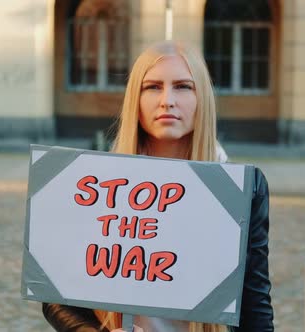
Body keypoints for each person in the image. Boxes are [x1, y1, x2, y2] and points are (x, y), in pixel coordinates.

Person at [42, 41, 273, 332]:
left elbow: (255, 302)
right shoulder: (96, 184)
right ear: (134, 99)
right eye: (152, 87)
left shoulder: (242, 189)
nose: (167, 100)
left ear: (202, 97)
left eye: (183, 87)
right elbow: (55, 296)